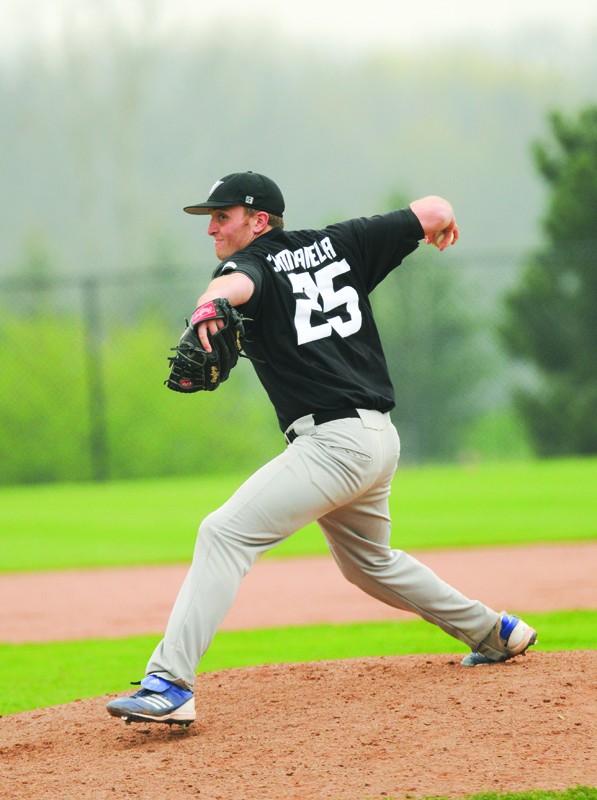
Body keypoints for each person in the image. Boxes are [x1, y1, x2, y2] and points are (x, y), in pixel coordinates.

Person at [106, 171, 537, 727]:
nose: (212, 228)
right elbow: (430, 208)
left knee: (224, 532)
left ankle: (169, 684)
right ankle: (492, 630)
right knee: (368, 564)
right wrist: (443, 222)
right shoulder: (344, 241)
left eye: (223, 215)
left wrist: (208, 305)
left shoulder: (250, 264)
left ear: (259, 221)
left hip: (333, 443)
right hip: (378, 440)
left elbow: (233, 286)